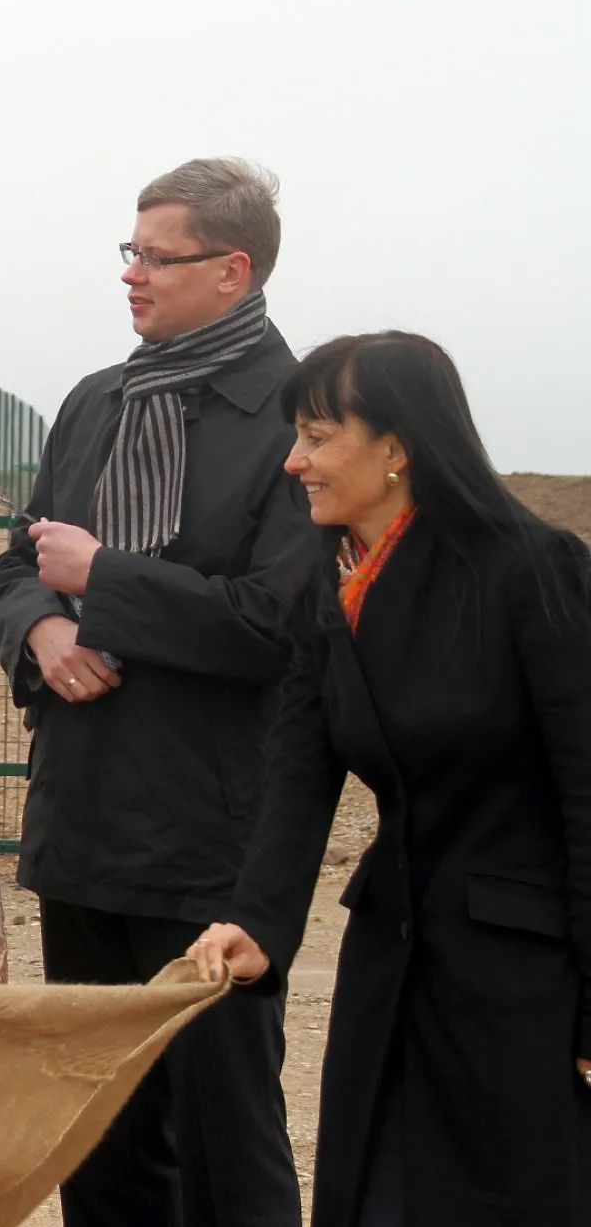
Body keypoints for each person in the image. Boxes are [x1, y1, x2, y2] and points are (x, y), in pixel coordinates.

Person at [0, 157, 317, 1227]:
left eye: (153, 257)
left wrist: (103, 582)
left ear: (231, 270)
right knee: (99, 1139)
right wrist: (41, 626)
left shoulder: (297, 419)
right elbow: (12, 568)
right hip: (81, 821)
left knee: (224, 1141)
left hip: (211, 842)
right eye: (127, 252)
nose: (129, 275)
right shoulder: (94, 401)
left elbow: (274, 622)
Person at [190, 332, 591, 1227]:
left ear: (398, 447)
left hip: (522, 977)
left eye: (319, 435)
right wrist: (258, 922)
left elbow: (586, 791)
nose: (295, 461)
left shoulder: (532, 569)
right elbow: (297, 773)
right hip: (392, 961)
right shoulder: (328, 588)